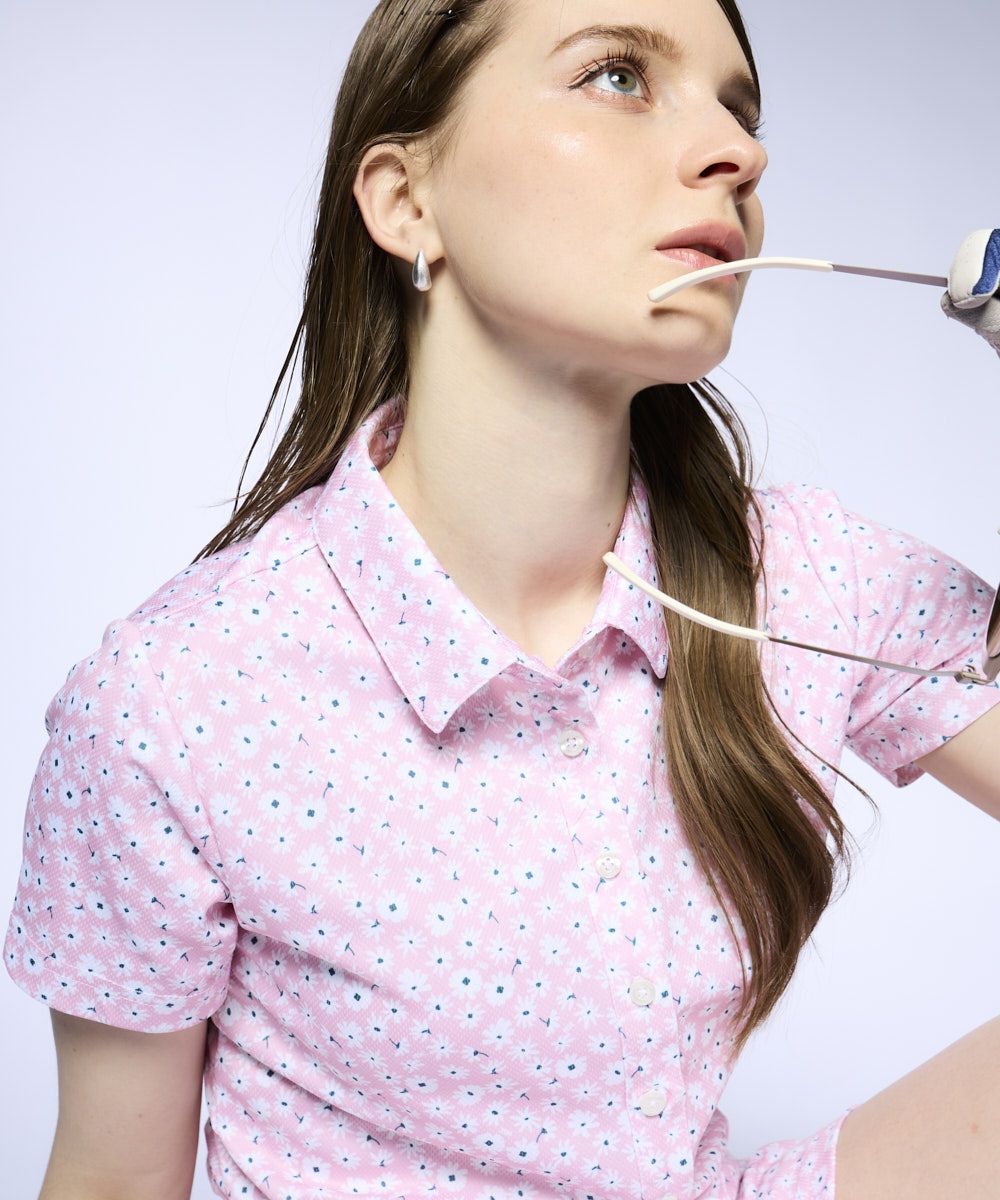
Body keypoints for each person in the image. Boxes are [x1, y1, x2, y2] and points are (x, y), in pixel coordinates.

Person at [5, 2, 1000, 1198]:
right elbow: (112, 1183)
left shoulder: (812, 582)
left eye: (740, 110)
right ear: (405, 202)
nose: (739, 153)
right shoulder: (174, 702)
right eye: (618, 76)